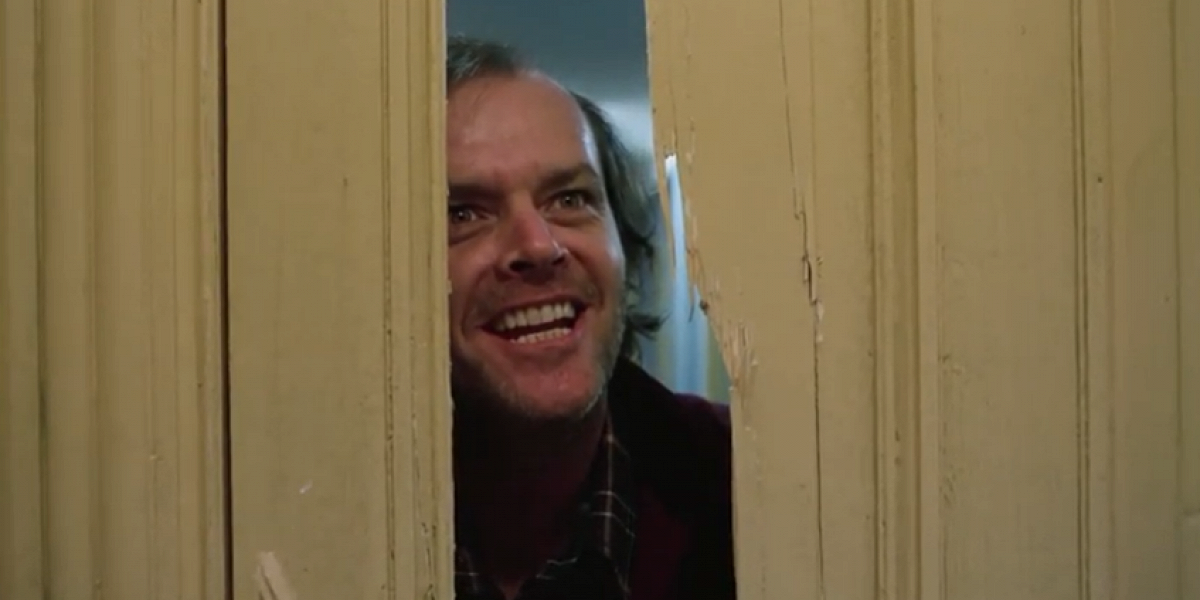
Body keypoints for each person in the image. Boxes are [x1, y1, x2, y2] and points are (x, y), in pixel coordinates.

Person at [446, 34, 735, 600]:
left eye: (569, 199)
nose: (539, 245)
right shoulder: (310, 517)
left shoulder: (746, 485)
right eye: (464, 213)